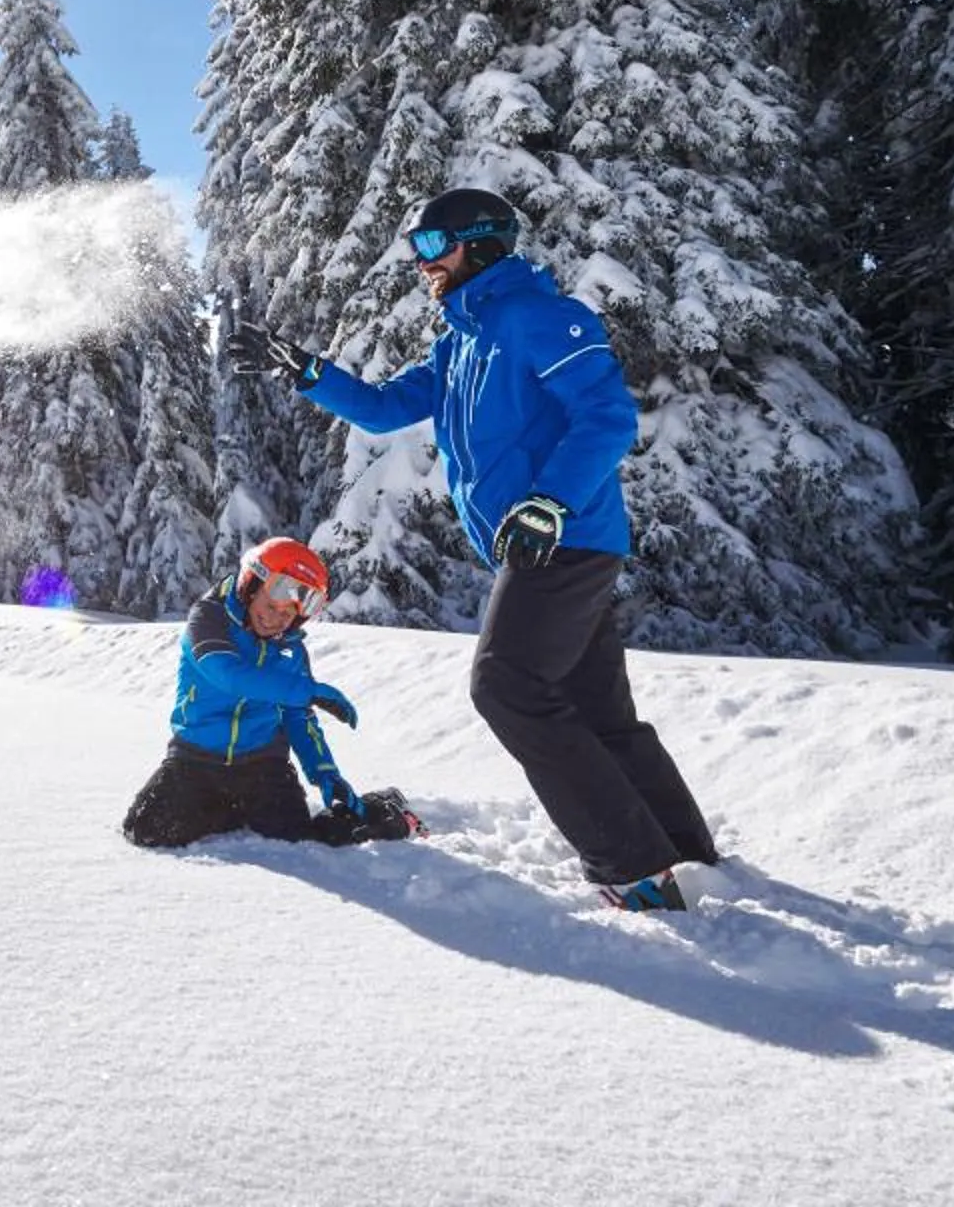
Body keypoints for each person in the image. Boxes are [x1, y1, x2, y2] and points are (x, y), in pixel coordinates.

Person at [224, 186, 718, 912]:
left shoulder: (536, 316)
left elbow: (608, 417)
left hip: (565, 537)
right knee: (596, 708)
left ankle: (632, 867)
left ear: (482, 243)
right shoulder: (459, 341)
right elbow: (384, 408)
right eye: (415, 247)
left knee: (506, 686)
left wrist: (550, 502)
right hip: (540, 543)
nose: (421, 261)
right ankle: (684, 849)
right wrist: (306, 371)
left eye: (434, 244)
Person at [122, 535, 421, 850]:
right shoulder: (209, 620)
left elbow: (298, 718)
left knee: (299, 839)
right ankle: (226, 808)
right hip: (194, 758)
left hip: (262, 765)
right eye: (270, 606)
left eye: (287, 615)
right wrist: (309, 691)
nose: (275, 619)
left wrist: (325, 772)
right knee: (144, 830)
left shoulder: (291, 651)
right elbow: (228, 675)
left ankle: (385, 811)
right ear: (250, 587)